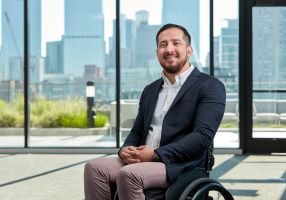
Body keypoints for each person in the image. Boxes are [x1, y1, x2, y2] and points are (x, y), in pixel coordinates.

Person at [84, 23, 226, 200]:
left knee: (129, 174)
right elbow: (137, 131)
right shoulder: (150, 90)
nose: (169, 49)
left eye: (176, 43)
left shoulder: (210, 86)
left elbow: (202, 136)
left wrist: (156, 154)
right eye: (163, 44)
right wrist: (125, 150)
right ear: (157, 52)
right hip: (144, 158)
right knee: (93, 168)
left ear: (189, 50)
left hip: (180, 164)